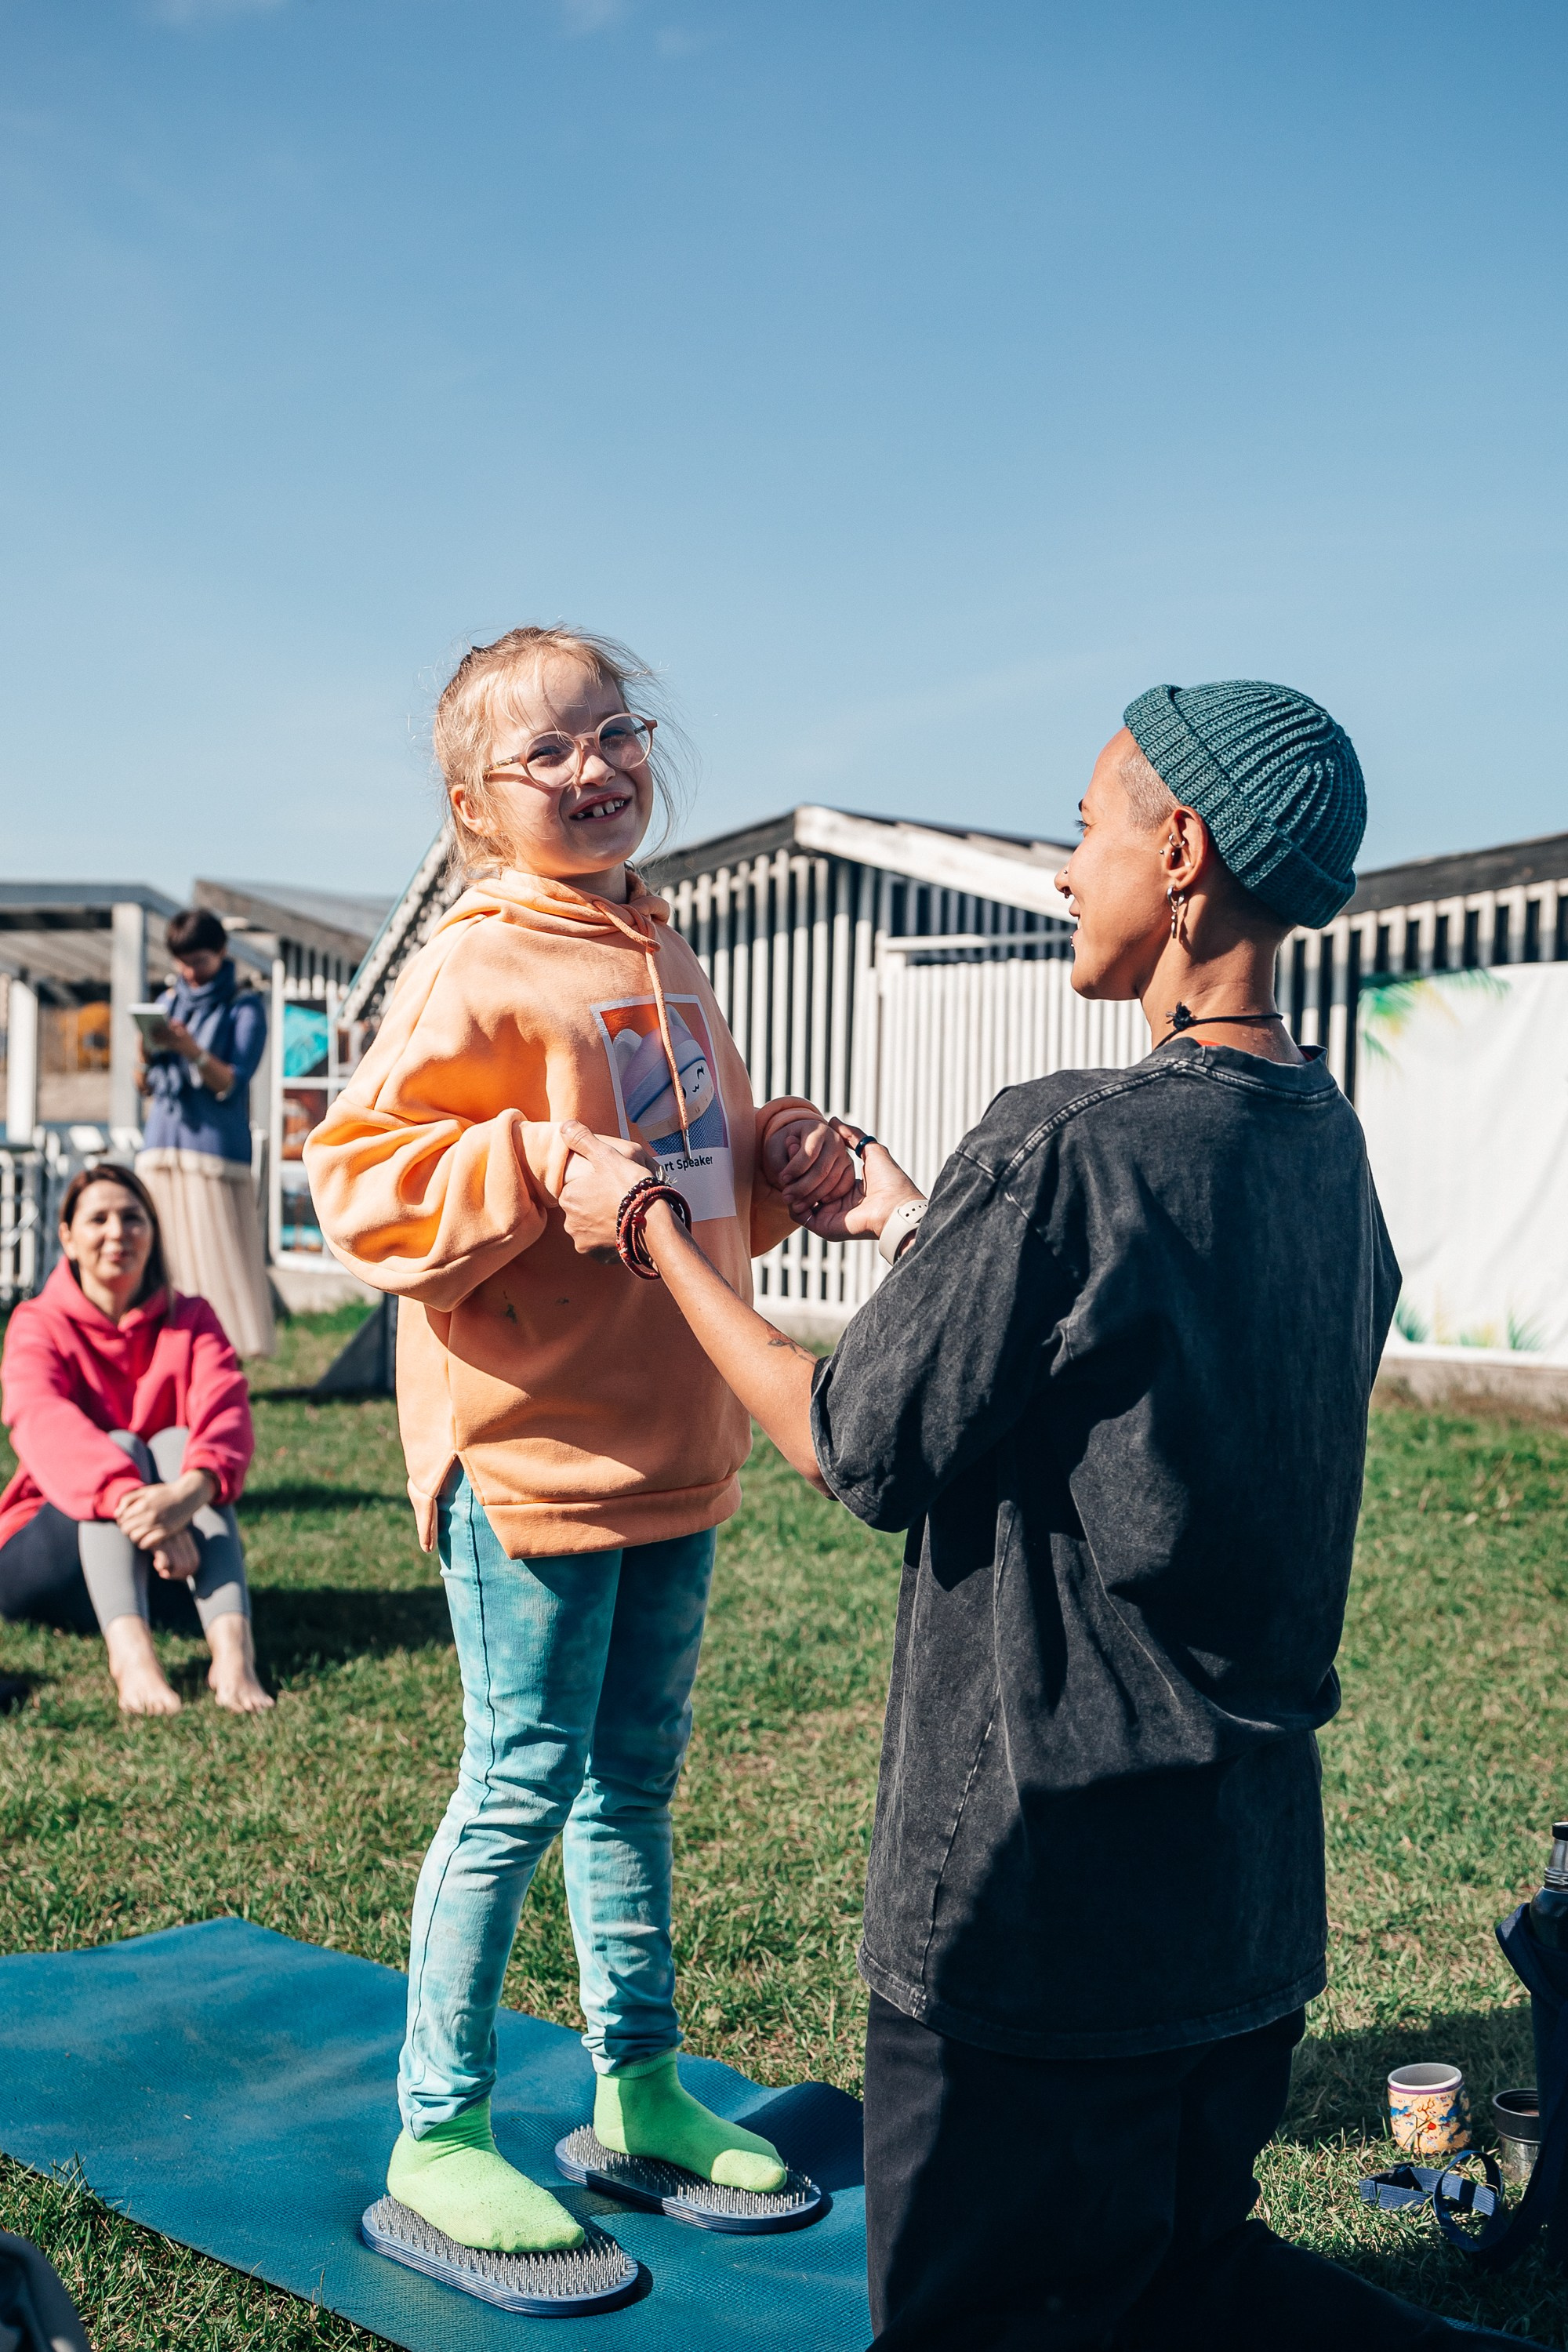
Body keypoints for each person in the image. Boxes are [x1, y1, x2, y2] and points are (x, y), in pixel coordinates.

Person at [557, 679, 1542, 2350]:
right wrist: (912, 1219)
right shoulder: (1330, 1155)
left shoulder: (1064, 1138)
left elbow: (850, 1446)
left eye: (1084, 826)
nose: (1064, 867)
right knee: (1185, 2286)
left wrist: (642, 1222)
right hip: (1235, 1906)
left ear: (1181, 850)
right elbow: (1124, 1382)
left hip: (1033, 1910)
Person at [303, 625, 855, 2259]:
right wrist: (538, 1166)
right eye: (546, 753)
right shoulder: (479, 961)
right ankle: (440, 2127)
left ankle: (639, 2089)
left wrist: (783, 1150)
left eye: (613, 734)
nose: (594, 768)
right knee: (520, 1781)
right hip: (531, 1450)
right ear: (477, 805)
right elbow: (361, 1182)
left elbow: (686, 1167)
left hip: (676, 1435)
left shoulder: (663, 957)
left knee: (634, 1784)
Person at [0, 1163, 270, 1717]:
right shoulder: (37, 1322)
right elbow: (39, 1417)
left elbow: (226, 1410)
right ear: (68, 1237)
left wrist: (187, 1494)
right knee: (121, 1446)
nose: (118, 1232)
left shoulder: (191, 1318)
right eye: (98, 1219)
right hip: (47, 1560)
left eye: (132, 1217)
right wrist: (140, 1503)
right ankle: (133, 1660)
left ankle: (233, 1655)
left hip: (166, 1561)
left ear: (153, 1231)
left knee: (180, 1444)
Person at [136, 906, 276, 1359]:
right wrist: (145, 1053)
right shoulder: (165, 1002)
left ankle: (223, 1353)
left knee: (220, 1258)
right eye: (181, 961)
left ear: (221, 952)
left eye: (197, 960)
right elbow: (143, 1085)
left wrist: (192, 1051)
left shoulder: (244, 1006)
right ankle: (169, 1351)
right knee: (165, 1256)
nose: (188, 972)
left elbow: (232, 1082)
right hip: (161, 1143)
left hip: (214, 1151)